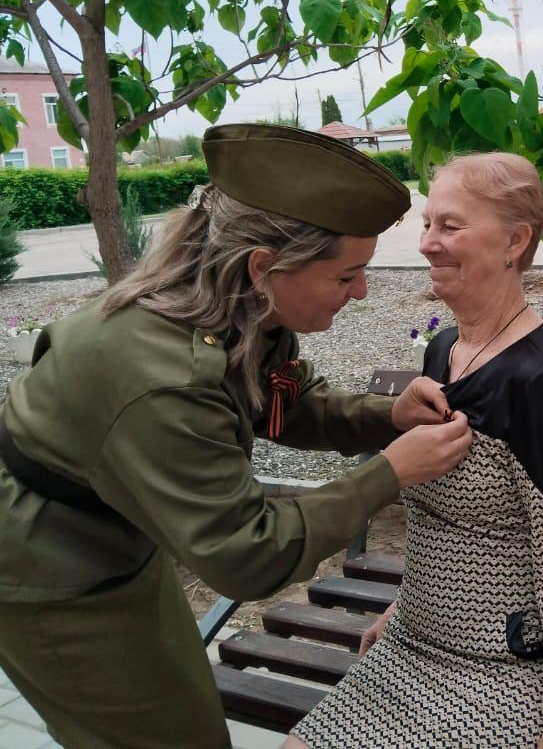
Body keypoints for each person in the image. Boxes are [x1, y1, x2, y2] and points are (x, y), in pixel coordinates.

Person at [0, 124, 473, 749]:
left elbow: (280, 404)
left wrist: (387, 416)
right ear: (263, 265)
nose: (361, 292)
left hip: (118, 532)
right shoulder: (163, 376)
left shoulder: (239, 309)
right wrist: (388, 473)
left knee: (187, 713)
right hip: (50, 568)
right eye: (346, 276)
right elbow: (246, 554)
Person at [288, 152, 543, 749]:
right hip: (418, 645)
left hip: (513, 668)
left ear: (515, 241)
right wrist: (404, 608)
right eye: (428, 223)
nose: (427, 243)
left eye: (450, 226)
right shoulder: (444, 350)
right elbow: (441, 519)